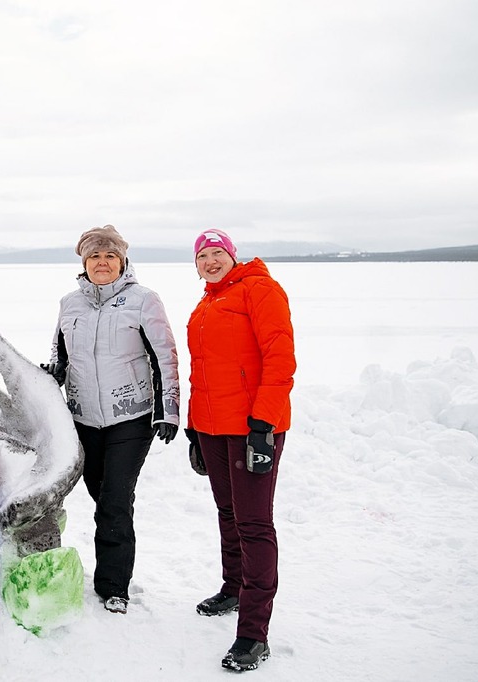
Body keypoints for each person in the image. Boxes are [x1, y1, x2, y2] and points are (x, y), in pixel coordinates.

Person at [42, 225, 180, 615]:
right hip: (84, 418)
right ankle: (110, 565)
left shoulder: (144, 300)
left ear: (123, 261)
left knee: (115, 501)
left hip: (130, 419)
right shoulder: (69, 303)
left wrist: (167, 411)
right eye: (95, 257)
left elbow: (164, 357)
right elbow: (61, 353)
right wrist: (53, 373)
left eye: (110, 257)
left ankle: (113, 586)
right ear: (84, 263)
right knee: (100, 495)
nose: (103, 263)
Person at [184, 228, 295, 672]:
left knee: (253, 523)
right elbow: (203, 372)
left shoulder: (260, 289)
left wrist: (263, 424)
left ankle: (253, 634)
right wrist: (194, 428)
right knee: (227, 513)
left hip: (253, 428)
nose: (210, 261)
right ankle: (233, 588)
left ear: (232, 256)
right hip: (212, 429)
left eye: (217, 253)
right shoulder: (207, 303)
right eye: (203, 256)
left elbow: (280, 358)